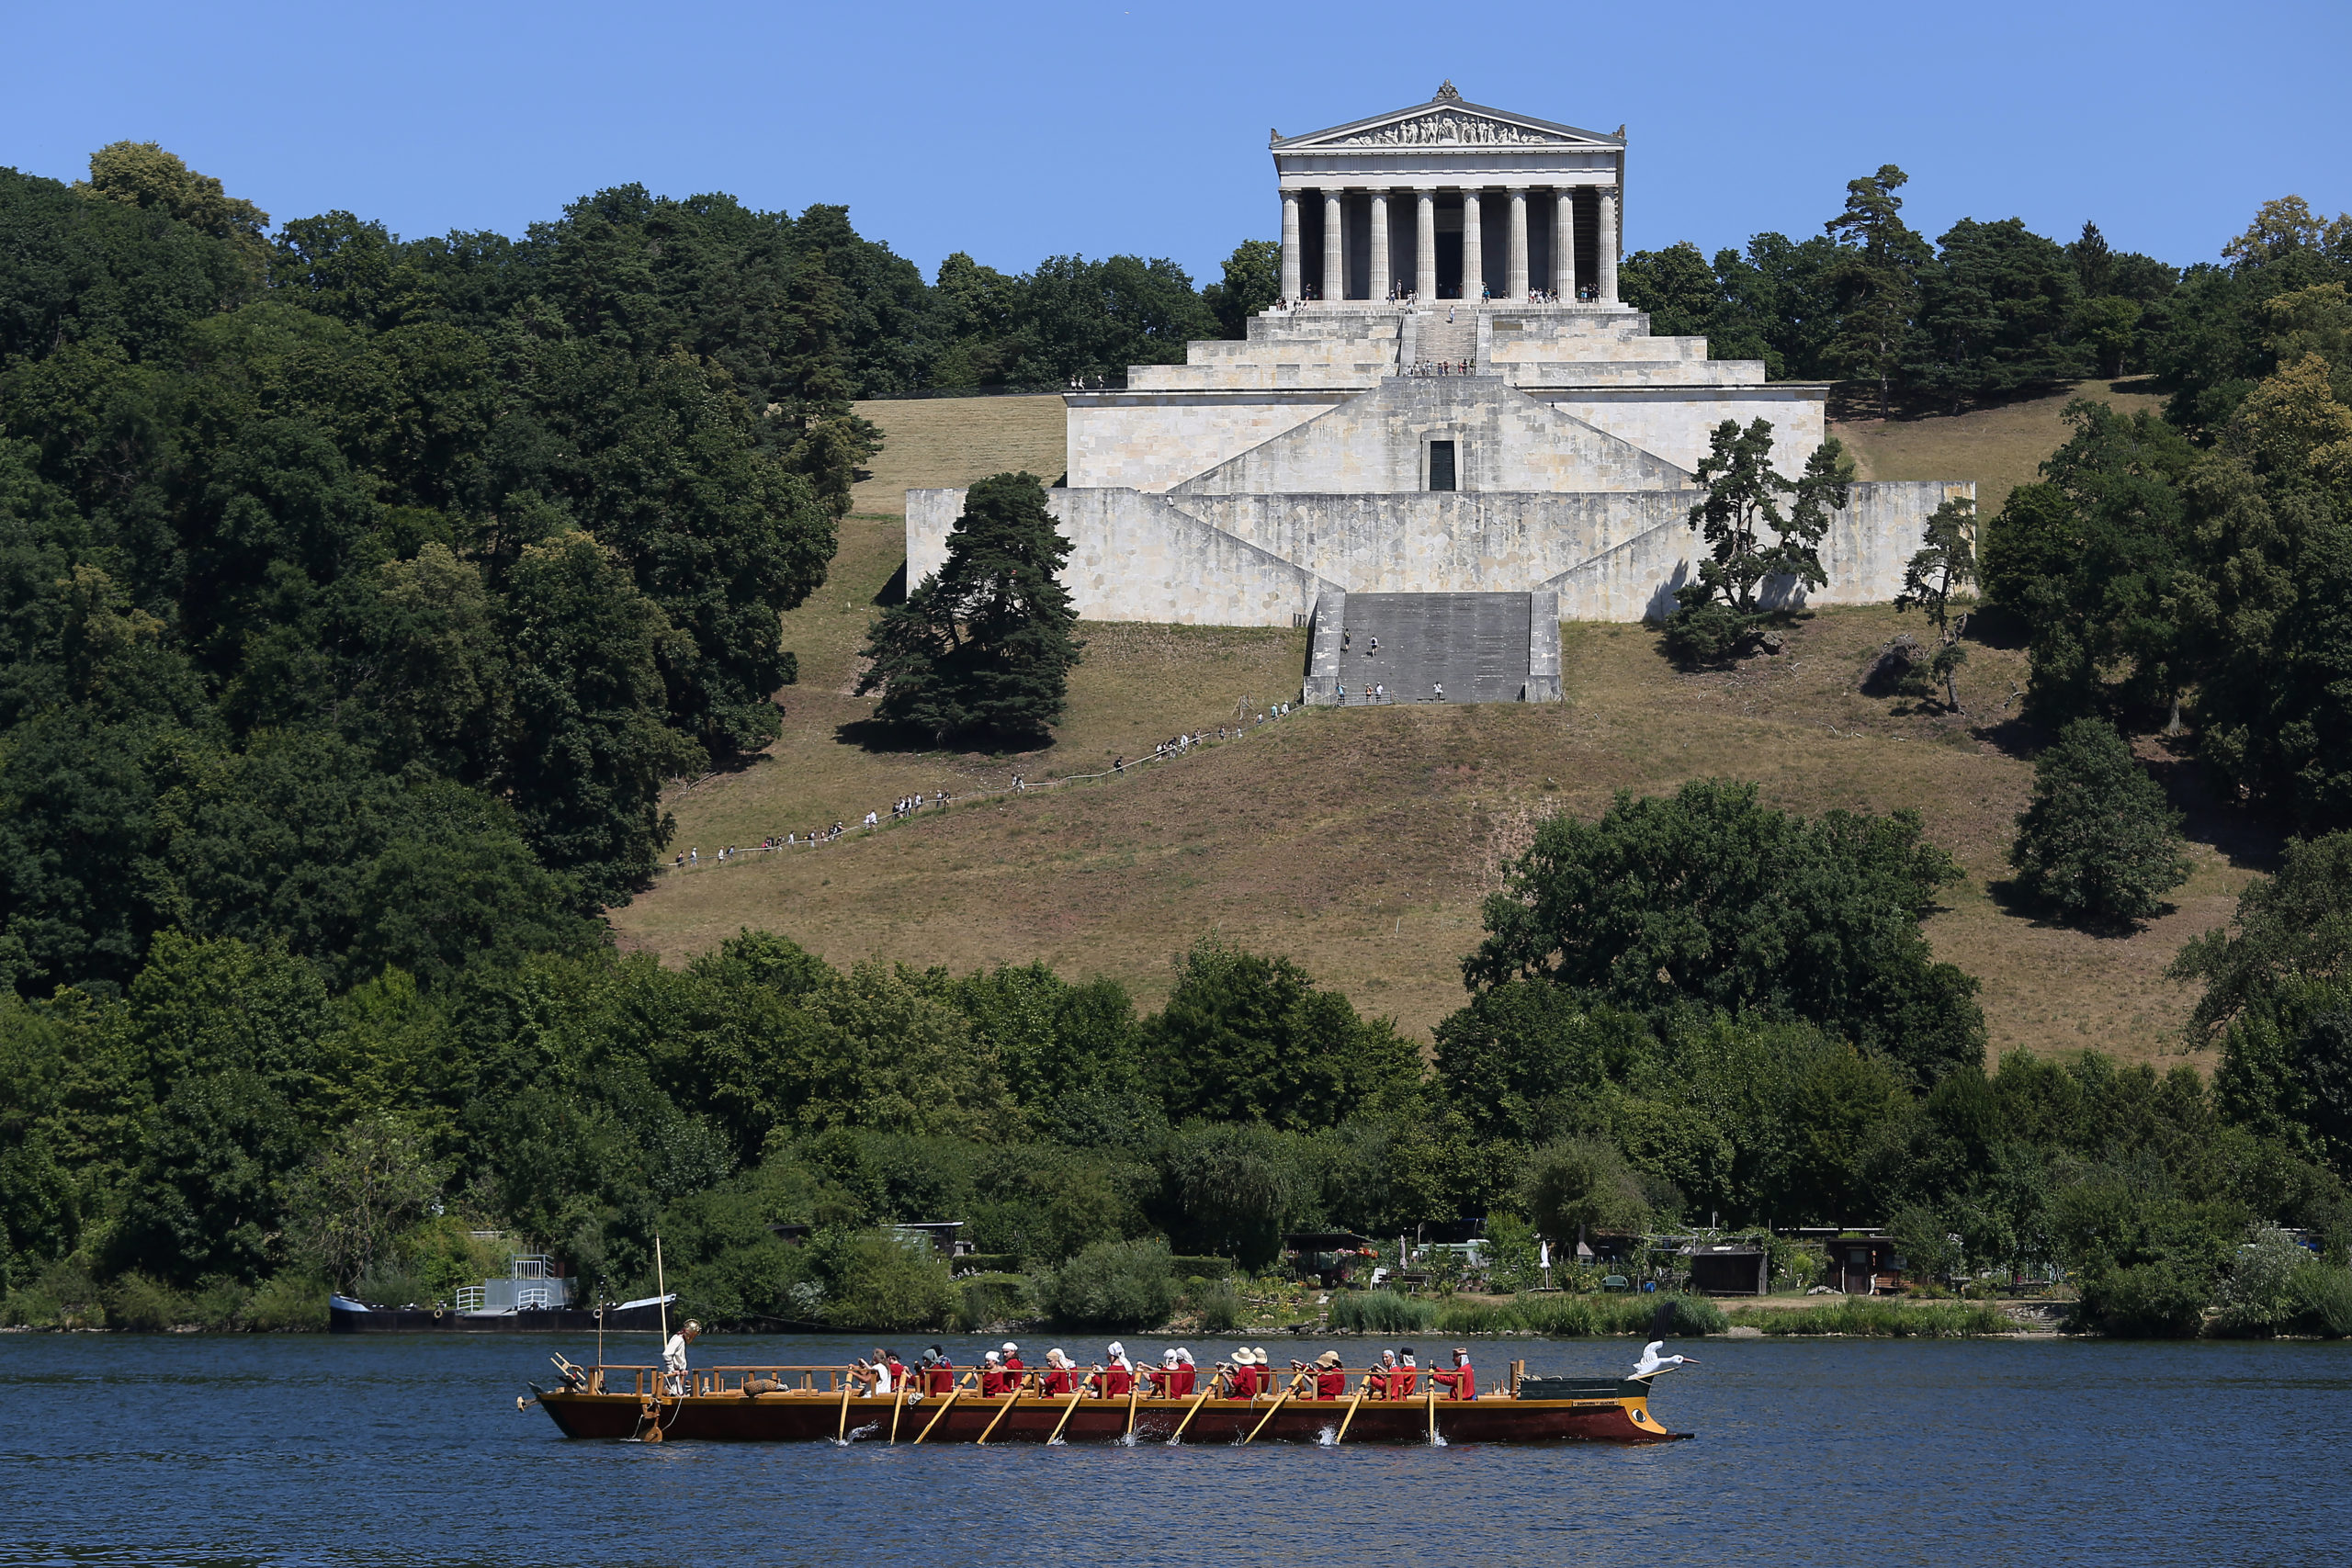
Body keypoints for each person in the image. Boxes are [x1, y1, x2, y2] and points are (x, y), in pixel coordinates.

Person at [662, 1319, 699, 1394]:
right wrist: (672, 1370)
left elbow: (678, 1357)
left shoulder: (681, 1340)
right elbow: (666, 1354)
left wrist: (682, 1369)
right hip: (672, 1373)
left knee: (678, 1392)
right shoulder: (678, 1339)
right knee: (673, 1393)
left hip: (677, 1373)